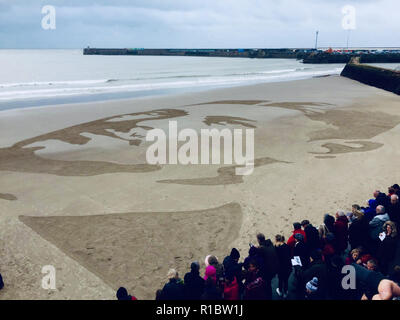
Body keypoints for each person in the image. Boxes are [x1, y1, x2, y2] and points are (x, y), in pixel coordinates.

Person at [256, 233, 279, 300]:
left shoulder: (262, 249)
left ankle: (268, 297)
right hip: (275, 267)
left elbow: (259, 258)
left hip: (269, 270)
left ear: (259, 240)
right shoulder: (270, 244)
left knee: (267, 284)